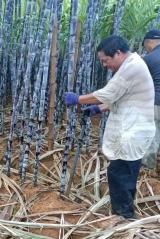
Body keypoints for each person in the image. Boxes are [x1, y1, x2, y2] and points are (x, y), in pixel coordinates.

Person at [63, 35, 155, 220]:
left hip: (134, 130)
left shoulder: (131, 68)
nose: (105, 65)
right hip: (135, 129)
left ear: (118, 53)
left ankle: (123, 218)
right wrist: (98, 108)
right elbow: (120, 97)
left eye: (105, 60)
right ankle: (126, 214)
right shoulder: (132, 64)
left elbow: (108, 93)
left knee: (119, 174)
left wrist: (78, 99)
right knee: (126, 174)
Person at [141, 29, 160, 172]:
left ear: (149, 42)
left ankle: (148, 166)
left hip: (156, 102)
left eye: (145, 46)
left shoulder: (149, 58)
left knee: (151, 133)